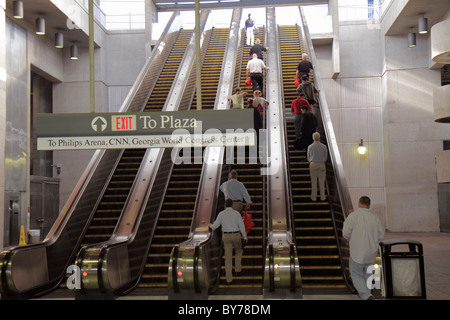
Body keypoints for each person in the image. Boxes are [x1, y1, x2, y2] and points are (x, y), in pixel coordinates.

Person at [342, 196, 385, 300]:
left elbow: (345, 233)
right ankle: (367, 295)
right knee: (367, 274)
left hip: (357, 252)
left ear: (359, 203)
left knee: (355, 274)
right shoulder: (375, 218)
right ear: (369, 205)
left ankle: (366, 295)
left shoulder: (353, 216)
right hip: (371, 252)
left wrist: (350, 237)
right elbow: (381, 235)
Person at [210, 199, 248, 284]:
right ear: (232, 205)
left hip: (226, 236)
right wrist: (245, 237)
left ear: (225, 205)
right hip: (236, 235)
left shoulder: (221, 214)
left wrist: (210, 225)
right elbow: (241, 226)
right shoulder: (236, 213)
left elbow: (215, 226)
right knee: (238, 251)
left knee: (228, 257)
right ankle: (238, 270)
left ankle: (229, 279)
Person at [307, 132, 327, 201]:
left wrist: (311, 161)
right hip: (321, 164)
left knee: (314, 181)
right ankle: (322, 197)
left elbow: (308, 157)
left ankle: (313, 197)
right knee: (321, 181)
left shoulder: (310, 146)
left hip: (313, 164)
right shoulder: (324, 146)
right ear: (319, 138)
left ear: (313, 138)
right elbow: (326, 157)